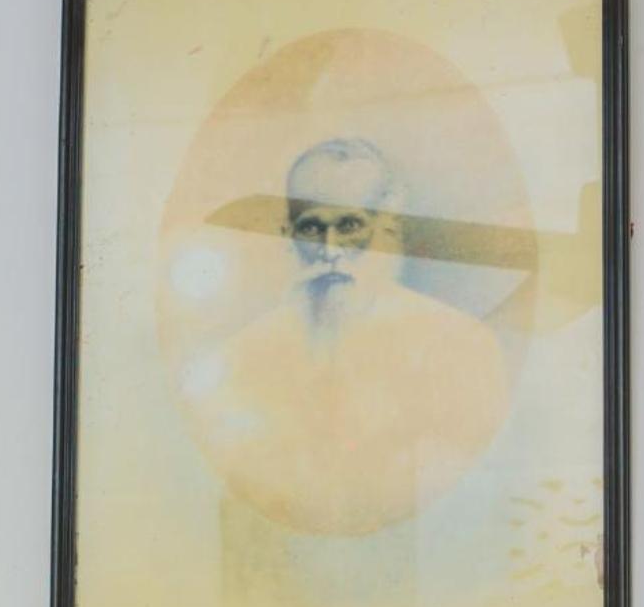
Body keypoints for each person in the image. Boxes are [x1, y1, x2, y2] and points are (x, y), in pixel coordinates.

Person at [192, 138, 511, 537]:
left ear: (387, 229)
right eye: (311, 229)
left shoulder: (459, 343)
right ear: (287, 234)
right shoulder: (242, 355)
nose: (330, 251)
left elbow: (467, 493)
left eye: (349, 227)